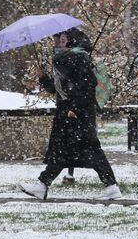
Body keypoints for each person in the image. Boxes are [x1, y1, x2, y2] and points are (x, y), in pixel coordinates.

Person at [21, 27, 122, 201]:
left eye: (57, 38)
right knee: (63, 152)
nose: (54, 42)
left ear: (65, 39)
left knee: (90, 150)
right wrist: (43, 78)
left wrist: (73, 108)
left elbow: (86, 85)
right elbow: (59, 89)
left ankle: (112, 187)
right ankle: (42, 185)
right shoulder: (65, 58)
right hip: (69, 113)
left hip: (76, 114)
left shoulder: (76, 58)